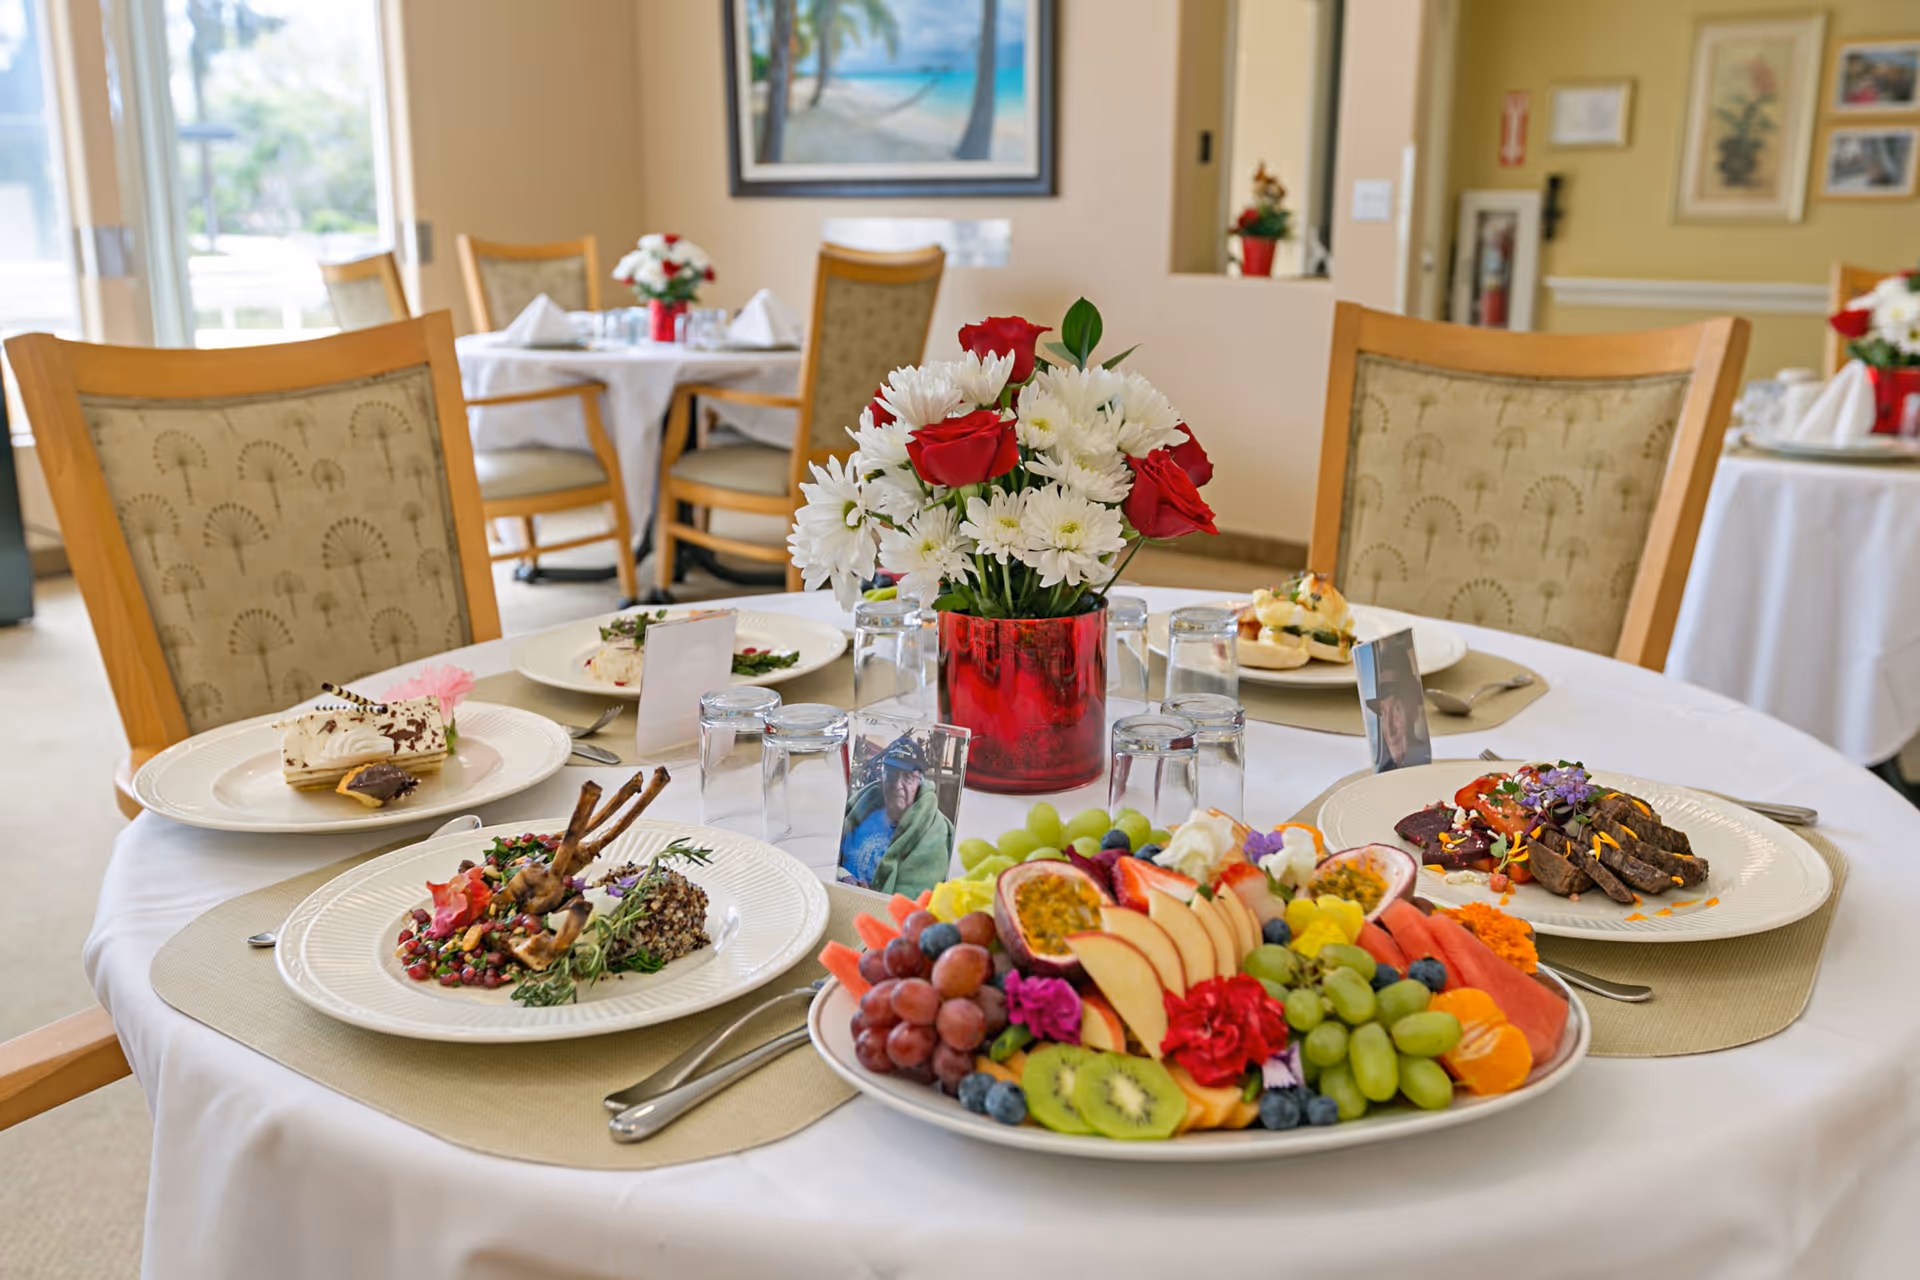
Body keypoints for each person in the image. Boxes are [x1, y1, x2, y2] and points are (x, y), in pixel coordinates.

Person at [838, 737, 955, 897]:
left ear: (919, 782)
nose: (897, 785)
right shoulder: (862, 809)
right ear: (883, 776)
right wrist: (843, 875)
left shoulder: (931, 835)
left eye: (907, 777)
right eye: (892, 775)